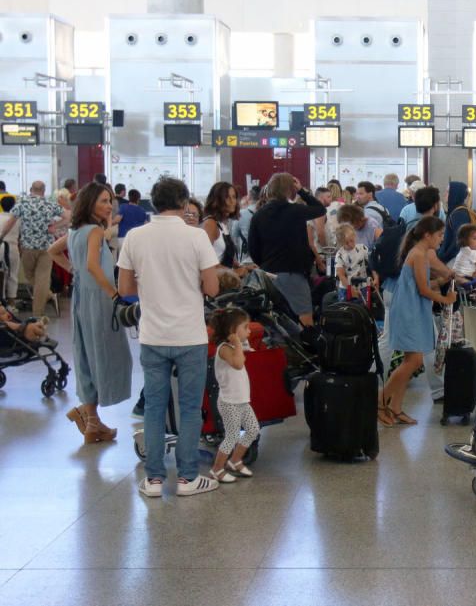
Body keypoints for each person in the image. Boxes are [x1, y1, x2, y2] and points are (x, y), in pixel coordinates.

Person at [118, 176, 221, 498]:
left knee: (154, 407)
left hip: (152, 334)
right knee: (190, 408)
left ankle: (153, 480)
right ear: (183, 201)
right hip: (189, 334)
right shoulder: (196, 237)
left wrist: (153, 285)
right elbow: (212, 288)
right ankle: (188, 478)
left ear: (154, 201)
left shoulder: (135, 237)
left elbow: (125, 289)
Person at [48, 183, 132, 444]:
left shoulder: (76, 231)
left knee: (87, 354)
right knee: (107, 354)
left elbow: (52, 251)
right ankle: (89, 416)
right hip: (100, 299)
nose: (109, 206)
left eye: (110, 201)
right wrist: (114, 295)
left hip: (82, 298)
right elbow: (94, 267)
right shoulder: (94, 230)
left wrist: (75, 272)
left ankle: (91, 419)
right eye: (103, 201)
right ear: (90, 203)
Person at [378, 216, 456, 427]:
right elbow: (423, 289)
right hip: (409, 311)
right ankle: (380, 401)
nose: (441, 240)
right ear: (427, 235)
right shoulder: (419, 255)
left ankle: (395, 406)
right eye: (439, 235)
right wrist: (445, 298)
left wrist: (441, 280)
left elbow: (420, 283)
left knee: (409, 362)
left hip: (411, 308)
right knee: (414, 361)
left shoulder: (418, 254)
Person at [248, 173, 326, 327]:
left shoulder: (258, 215)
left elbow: (253, 249)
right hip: (293, 273)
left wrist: (265, 263)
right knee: (305, 321)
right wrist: (302, 191)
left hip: (268, 274)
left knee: (272, 320)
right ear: (291, 190)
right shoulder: (296, 211)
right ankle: (305, 349)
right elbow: (320, 209)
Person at [207, 307, 260, 483]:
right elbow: (237, 364)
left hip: (242, 401)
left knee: (253, 429)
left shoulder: (233, 346)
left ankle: (235, 459)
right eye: (245, 327)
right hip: (229, 402)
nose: (249, 330)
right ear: (232, 332)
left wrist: (240, 344)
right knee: (231, 436)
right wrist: (238, 344)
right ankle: (217, 469)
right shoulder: (224, 348)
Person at [0, 181, 67, 316]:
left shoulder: (23, 203)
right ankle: (38, 313)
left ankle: (43, 301)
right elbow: (69, 216)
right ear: (43, 190)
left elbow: (10, 222)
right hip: (48, 248)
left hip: (28, 247)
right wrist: (56, 226)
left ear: (31, 189)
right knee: (42, 279)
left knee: (30, 275)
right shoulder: (50, 204)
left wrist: (1, 236)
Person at [202, 182, 241, 271]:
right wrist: (234, 272)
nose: (232, 201)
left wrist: (242, 267)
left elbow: (224, 257)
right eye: (227, 197)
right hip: (216, 281)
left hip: (226, 280)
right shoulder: (211, 224)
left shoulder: (223, 224)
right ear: (217, 200)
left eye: (234, 197)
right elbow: (205, 262)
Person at [439, 181, 476, 265]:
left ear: (454, 194)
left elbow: (458, 241)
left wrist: (443, 256)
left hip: (457, 260)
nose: (445, 195)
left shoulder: (459, 214)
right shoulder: (461, 211)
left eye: (448, 192)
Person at [334, 223, 369, 301]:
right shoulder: (340, 254)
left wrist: (375, 277)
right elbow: (341, 275)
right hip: (346, 288)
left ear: (354, 236)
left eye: (351, 241)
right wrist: (350, 289)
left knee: (364, 311)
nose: (350, 244)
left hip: (363, 286)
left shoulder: (363, 248)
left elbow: (371, 265)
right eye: (346, 243)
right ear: (341, 243)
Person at [0, 196, 22, 303]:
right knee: (13, 275)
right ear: (14, 206)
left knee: (1, 275)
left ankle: (2, 301)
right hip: (13, 247)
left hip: (0, 246)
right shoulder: (17, 219)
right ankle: (11, 302)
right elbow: (21, 236)